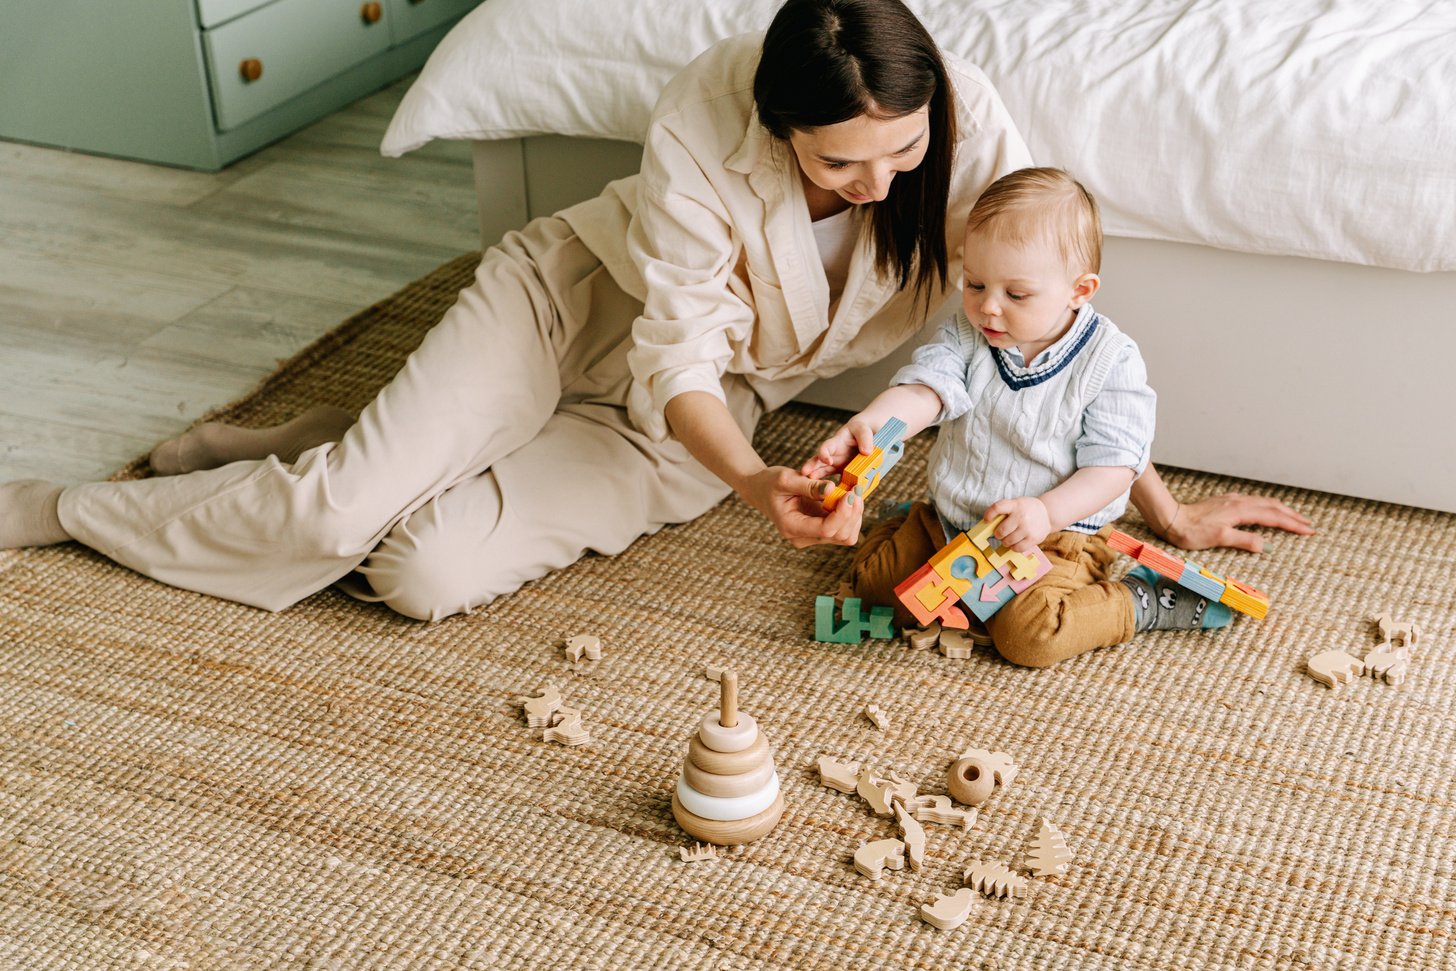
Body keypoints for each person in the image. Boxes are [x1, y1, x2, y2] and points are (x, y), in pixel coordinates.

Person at [0, 0, 1311, 623]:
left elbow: (1046, 352)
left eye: (898, 150)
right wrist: (752, 481)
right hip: (580, 312)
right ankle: (66, 509)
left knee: (418, 572)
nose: (881, 182)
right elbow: (674, 339)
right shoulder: (703, 111)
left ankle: (304, 444)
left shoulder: (959, 129)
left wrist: (1163, 507)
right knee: (342, 512)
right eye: (840, 163)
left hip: (704, 409)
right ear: (775, 120)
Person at [805, 167, 1274, 667]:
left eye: (1016, 294)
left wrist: (1046, 512)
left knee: (1030, 637)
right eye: (975, 283)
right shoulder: (968, 334)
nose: (988, 307)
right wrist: (874, 424)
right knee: (875, 593)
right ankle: (904, 523)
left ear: (1080, 290)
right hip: (952, 519)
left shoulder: (1110, 361)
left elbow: (1115, 468)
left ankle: (1139, 603)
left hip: (1057, 535)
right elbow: (927, 390)